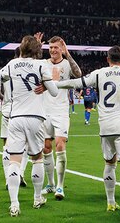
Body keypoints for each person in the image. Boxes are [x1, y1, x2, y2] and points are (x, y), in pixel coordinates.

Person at [57, 46, 120, 222]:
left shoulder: (99, 73)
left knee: (110, 163)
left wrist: (55, 84)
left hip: (105, 128)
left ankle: (110, 202)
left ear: (107, 59)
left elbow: (76, 83)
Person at [0, 35, 61, 217]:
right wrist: (47, 85)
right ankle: (37, 198)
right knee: (37, 158)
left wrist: (5, 98)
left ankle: (14, 204)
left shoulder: (12, 64)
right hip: (36, 118)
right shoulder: (41, 66)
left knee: (14, 160)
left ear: (21, 49)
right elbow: (54, 92)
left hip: (15, 117)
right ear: (37, 51)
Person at [40, 35, 82, 201]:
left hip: (61, 111)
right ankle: (50, 184)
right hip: (45, 110)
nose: (52, 50)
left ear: (61, 49)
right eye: (50, 48)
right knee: (46, 147)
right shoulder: (44, 64)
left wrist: (68, 54)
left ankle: (60, 185)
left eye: (56, 47)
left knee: (60, 144)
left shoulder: (67, 63)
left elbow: (78, 75)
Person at [0, 48, 28, 189]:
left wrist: (3, 98)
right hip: (22, 109)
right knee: (25, 145)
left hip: (7, 109)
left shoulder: (7, 67)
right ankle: (20, 173)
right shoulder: (27, 68)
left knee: (7, 144)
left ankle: (7, 178)